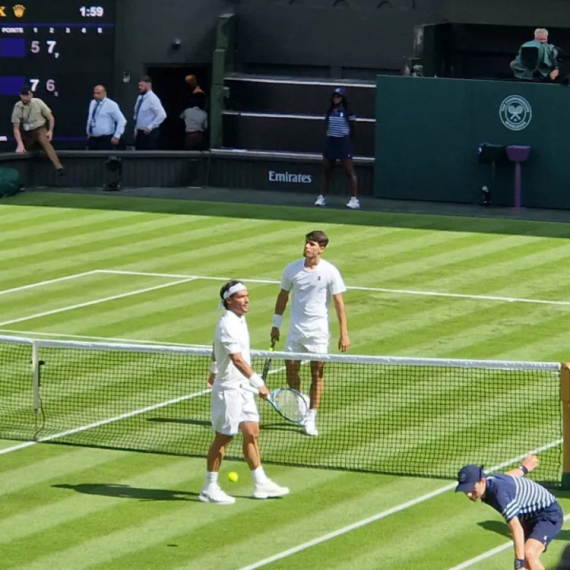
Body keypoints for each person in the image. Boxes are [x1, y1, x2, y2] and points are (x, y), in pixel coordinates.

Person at [201, 280, 290, 505]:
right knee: (224, 438)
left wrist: (213, 370)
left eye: (247, 295)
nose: (247, 300)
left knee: (251, 431)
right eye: (241, 297)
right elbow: (236, 359)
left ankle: (260, 483)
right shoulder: (227, 325)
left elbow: (215, 347)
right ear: (229, 300)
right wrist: (258, 383)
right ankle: (209, 488)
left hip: (243, 389)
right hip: (229, 391)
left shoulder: (240, 319)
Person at [270, 230, 350, 437]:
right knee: (291, 371)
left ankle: (311, 417)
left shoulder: (330, 271)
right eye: (306, 243)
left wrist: (344, 333)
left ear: (321, 249)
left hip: (318, 333)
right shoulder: (292, 268)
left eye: (312, 244)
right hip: (295, 331)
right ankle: (300, 403)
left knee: (317, 373)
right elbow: (283, 296)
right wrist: (276, 324)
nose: (307, 246)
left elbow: (339, 304)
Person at [456, 455, 564, 570]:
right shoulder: (490, 481)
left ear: (482, 481)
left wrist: (519, 564)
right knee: (527, 559)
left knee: (529, 554)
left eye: (471, 488)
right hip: (528, 517)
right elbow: (507, 476)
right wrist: (523, 469)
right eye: (465, 490)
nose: (469, 494)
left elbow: (516, 528)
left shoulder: (499, 495)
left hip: (548, 514)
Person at [314, 87, 359, 210]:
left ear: (343, 98)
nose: (336, 99)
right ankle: (321, 197)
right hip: (331, 142)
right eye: (334, 97)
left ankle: (354, 199)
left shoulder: (348, 112)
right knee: (326, 171)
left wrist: (348, 141)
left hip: (343, 143)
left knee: (349, 171)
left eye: (338, 97)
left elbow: (353, 128)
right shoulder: (329, 112)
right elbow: (326, 125)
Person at [11, 85, 64, 175]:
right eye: (23, 95)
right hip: (28, 133)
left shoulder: (38, 102)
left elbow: (51, 118)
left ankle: (58, 167)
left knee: (44, 141)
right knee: (21, 151)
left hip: (40, 128)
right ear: (20, 95)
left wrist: (50, 131)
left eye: (27, 95)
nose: (25, 97)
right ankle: (20, 175)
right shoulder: (17, 106)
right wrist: (20, 144)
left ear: (31, 94)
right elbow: (16, 128)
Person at [86, 85, 127, 150]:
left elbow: (122, 120)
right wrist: (88, 132)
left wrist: (117, 135)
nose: (95, 95)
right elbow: (90, 118)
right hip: (92, 138)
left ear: (104, 93)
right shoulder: (92, 103)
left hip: (105, 138)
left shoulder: (111, 104)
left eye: (98, 93)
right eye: (94, 93)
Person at [133, 76, 166, 150]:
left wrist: (150, 127)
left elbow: (162, 115)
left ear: (148, 85)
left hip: (149, 133)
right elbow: (137, 115)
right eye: (139, 85)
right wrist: (136, 129)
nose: (139, 87)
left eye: (141, 85)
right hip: (140, 131)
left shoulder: (153, 99)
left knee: (148, 152)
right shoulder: (140, 98)